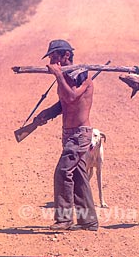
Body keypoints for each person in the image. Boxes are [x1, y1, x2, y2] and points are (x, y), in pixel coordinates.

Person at [34, 39, 99, 231]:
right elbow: (66, 103)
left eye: (55, 57)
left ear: (66, 56)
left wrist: (58, 76)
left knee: (63, 172)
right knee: (78, 176)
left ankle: (64, 220)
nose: (53, 61)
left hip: (80, 134)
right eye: (51, 57)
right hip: (69, 134)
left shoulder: (82, 76)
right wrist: (47, 113)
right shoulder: (67, 76)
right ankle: (89, 221)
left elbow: (71, 96)